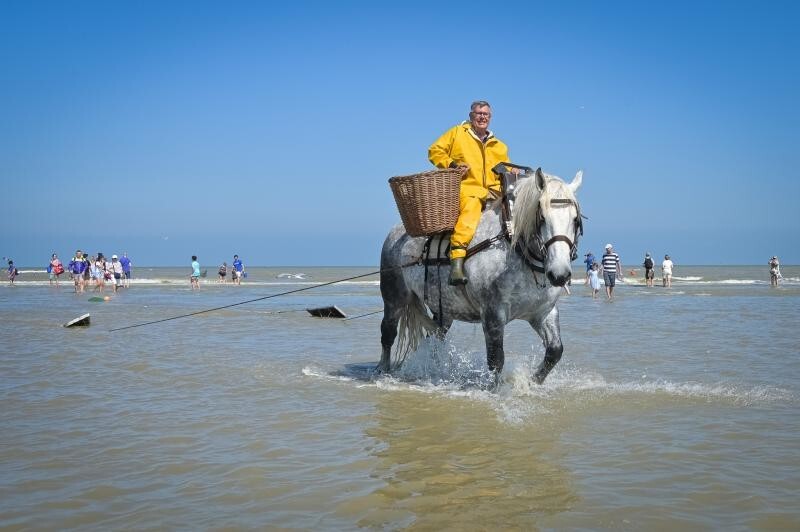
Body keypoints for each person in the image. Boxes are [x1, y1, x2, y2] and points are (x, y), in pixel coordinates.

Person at [429, 100, 511, 285]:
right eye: (478, 113)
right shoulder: (457, 133)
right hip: (468, 188)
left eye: (486, 114)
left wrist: (510, 171)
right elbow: (434, 151)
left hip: (496, 192)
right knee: (470, 211)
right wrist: (452, 165)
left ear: (490, 118)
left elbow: (504, 168)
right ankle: (456, 263)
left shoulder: (500, 145)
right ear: (471, 116)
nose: (482, 117)